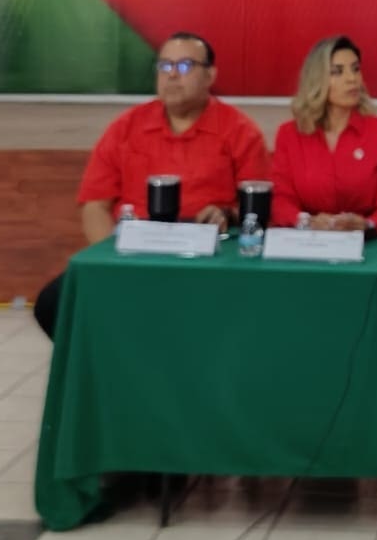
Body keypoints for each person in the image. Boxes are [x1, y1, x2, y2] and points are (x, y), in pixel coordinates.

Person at [32, 31, 269, 339]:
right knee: (52, 303)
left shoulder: (240, 132)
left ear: (210, 75)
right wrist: (113, 258)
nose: (172, 75)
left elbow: (257, 208)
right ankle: (108, 365)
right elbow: (95, 205)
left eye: (184, 66)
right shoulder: (126, 127)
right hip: (137, 247)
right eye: (164, 66)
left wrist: (228, 213)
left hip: (206, 255)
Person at [270, 36, 377, 235]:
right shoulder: (289, 134)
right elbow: (280, 200)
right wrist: (306, 221)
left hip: (367, 243)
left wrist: (368, 224)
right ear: (317, 80)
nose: (352, 79)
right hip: (308, 239)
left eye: (356, 69)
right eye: (337, 72)